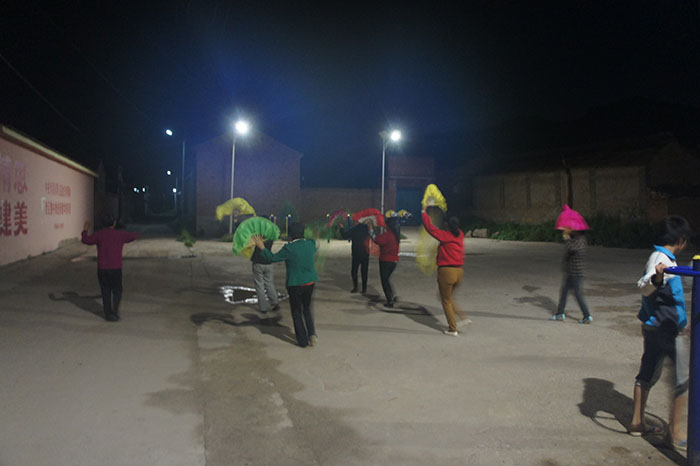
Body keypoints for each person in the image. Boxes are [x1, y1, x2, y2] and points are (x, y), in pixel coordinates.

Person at [629, 215, 691, 452]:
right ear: (681, 240)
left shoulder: (666, 259)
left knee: (649, 374)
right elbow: (644, 287)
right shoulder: (660, 260)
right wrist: (656, 277)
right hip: (662, 329)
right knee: (681, 379)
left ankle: (638, 422)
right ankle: (674, 433)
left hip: (664, 327)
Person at [253, 223, 318, 348]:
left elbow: (272, 258)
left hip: (295, 283)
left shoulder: (289, 248)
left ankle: (303, 341)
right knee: (307, 309)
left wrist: (262, 248)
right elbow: (313, 241)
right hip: (310, 282)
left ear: (290, 235)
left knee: (296, 312)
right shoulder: (310, 244)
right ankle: (312, 334)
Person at [81, 212, 139, 321]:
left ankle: (108, 314)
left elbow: (85, 240)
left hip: (102, 269)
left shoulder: (99, 235)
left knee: (105, 291)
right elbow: (133, 236)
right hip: (116, 268)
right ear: (114, 223)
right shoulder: (120, 234)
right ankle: (115, 311)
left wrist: (85, 229)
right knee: (117, 291)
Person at [421, 207, 467, 336]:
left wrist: (424, 213)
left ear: (446, 225)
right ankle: (463, 318)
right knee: (449, 298)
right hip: (459, 272)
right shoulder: (460, 234)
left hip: (447, 272)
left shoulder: (445, 236)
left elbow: (430, 229)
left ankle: (453, 329)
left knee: (445, 300)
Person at [371, 217, 400, 307]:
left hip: (386, 260)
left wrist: (371, 231)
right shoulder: (395, 235)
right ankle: (393, 295)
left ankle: (389, 300)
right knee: (387, 279)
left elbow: (376, 240)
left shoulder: (387, 235)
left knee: (384, 281)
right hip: (394, 261)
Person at [339, 219, 371, 294]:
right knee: (364, 271)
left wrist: (341, 228)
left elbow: (345, 236)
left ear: (356, 222)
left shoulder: (354, 230)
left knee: (354, 271)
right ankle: (364, 288)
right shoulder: (367, 229)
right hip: (365, 252)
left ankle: (355, 287)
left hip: (356, 253)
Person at [250, 237, 280, 314]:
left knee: (259, 285)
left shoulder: (258, 235)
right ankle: (275, 302)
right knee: (269, 283)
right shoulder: (271, 236)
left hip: (258, 261)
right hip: (268, 260)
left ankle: (263, 307)